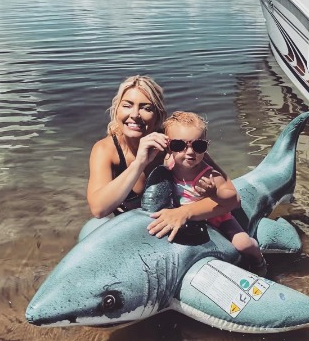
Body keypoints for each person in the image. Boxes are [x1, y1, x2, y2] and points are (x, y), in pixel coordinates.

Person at [86, 75, 238, 242]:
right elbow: (99, 209)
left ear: (158, 115)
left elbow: (233, 200)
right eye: (127, 105)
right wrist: (140, 163)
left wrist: (185, 212)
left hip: (169, 229)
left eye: (146, 108)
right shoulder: (106, 149)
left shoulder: (175, 145)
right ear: (117, 110)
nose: (135, 115)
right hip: (133, 230)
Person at [163, 111, 267, 276]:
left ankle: (258, 258)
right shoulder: (167, 166)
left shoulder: (208, 174)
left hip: (217, 218)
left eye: (198, 146)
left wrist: (214, 194)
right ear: (168, 146)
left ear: (206, 146)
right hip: (186, 219)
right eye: (179, 145)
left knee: (242, 243)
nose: (190, 152)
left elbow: (232, 198)